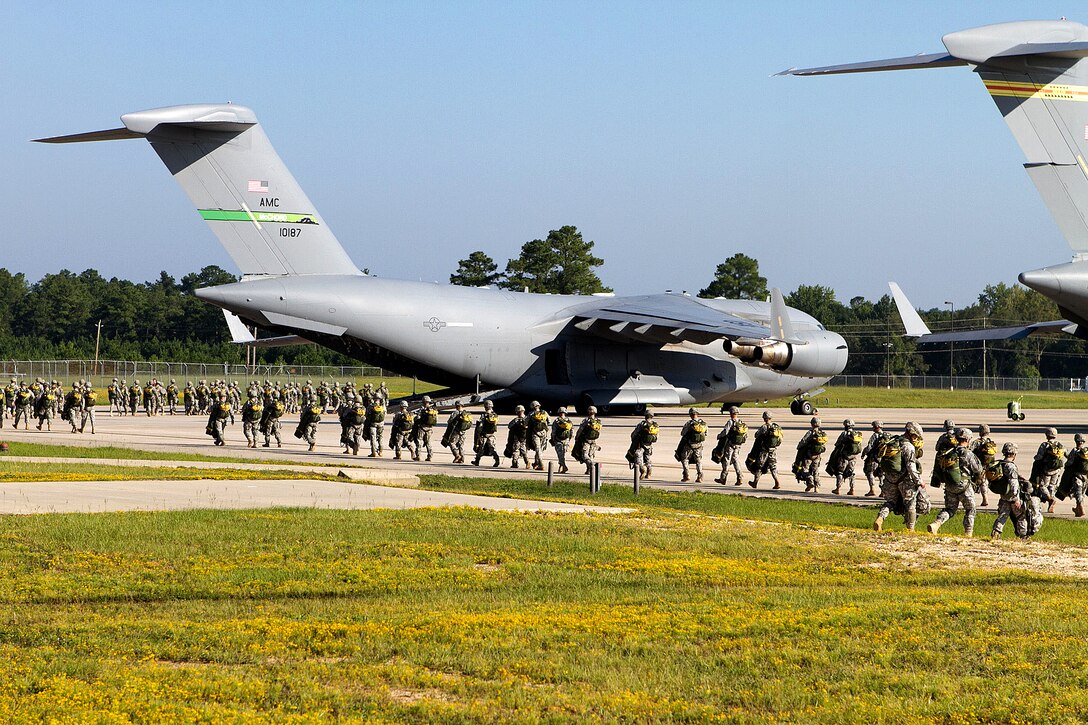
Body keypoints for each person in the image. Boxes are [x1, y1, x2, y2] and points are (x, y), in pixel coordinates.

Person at [928, 428, 982, 536]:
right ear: (967, 439)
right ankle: (968, 533)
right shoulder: (967, 454)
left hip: (950, 485)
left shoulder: (949, 452)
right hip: (964, 486)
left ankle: (936, 523)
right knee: (970, 509)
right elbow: (978, 469)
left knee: (950, 509)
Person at [873, 422, 925, 532]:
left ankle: (880, 518)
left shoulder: (893, 441)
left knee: (890, 502)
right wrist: (918, 481)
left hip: (890, 479)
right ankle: (910, 529)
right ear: (912, 434)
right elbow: (910, 465)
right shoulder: (908, 446)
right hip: (905, 481)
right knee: (910, 504)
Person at [990, 442, 1042, 540]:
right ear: (1014, 454)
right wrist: (1016, 499)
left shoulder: (1000, 464)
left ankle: (996, 532)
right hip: (1012, 497)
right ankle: (1023, 536)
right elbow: (1013, 483)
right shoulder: (1011, 466)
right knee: (1020, 516)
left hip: (1004, 496)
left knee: (1003, 515)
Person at [1030, 428, 1065, 513]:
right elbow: (1066, 454)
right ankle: (1051, 504)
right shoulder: (1060, 445)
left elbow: (1039, 457)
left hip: (1047, 470)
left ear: (1047, 435)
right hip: (1057, 470)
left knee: (1043, 486)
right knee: (1052, 486)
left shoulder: (1044, 445)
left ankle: (1050, 500)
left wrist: (1035, 458)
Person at [746, 411, 783, 489]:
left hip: (764, 450)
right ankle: (777, 482)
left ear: (764, 418)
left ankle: (755, 482)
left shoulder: (763, 427)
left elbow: (756, 435)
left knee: (759, 466)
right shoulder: (776, 427)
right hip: (773, 450)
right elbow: (779, 440)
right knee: (773, 466)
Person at [826, 419, 863, 495]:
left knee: (840, 472)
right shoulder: (856, 434)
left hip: (844, 457)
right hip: (853, 457)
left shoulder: (844, 434)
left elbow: (837, 444)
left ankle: (838, 488)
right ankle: (852, 489)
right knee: (851, 473)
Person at [711, 406, 746, 485]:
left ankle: (723, 478)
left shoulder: (730, 422)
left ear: (731, 413)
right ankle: (740, 478)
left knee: (727, 460)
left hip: (730, 445)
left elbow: (725, 432)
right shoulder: (741, 423)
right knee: (735, 460)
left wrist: (719, 436)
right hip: (738, 445)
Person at [1057, 433, 1088, 518]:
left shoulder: (1075, 451)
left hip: (1077, 476)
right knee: (1082, 492)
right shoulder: (1086, 451)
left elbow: (1070, 462)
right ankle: (1077, 509)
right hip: (1086, 476)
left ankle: (1080, 507)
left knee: (1078, 493)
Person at [793, 417, 827, 492]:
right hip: (817, 455)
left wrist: (799, 447)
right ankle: (817, 487)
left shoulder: (810, 432)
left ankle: (810, 481)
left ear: (812, 424)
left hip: (808, 455)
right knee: (815, 470)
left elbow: (803, 441)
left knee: (805, 469)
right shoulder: (822, 434)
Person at [676, 407, 708, 482]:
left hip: (689, 445)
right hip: (699, 445)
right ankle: (700, 476)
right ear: (697, 413)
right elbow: (706, 433)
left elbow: (683, 433)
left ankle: (686, 475)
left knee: (684, 459)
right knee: (698, 461)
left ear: (690, 414)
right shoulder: (703, 423)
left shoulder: (689, 423)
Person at [969, 424, 998, 507]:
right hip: (989, 465)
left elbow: (969, 451)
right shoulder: (990, 442)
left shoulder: (977, 442)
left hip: (979, 465)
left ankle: (982, 499)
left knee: (977, 482)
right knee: (984, 481)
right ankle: (985, 498)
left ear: (980, 432)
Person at [627, 411, 658, 480]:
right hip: (649, 445)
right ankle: (649, 473)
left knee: (638, 458)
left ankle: (643, 471)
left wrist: (634, 440)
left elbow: (634, 434)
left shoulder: (642, 424)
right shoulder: (654, 425)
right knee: (648, 459)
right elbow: (656, 436)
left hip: (641, 445)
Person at [572, 406, 602, 475]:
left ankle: (592, 465)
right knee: (591, 455)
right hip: (593, 441)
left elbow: (580, 430)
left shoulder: (586, 420)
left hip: (586, 440)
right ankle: (589, 470)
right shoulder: (598, 421)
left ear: (588, 411)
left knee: (584, 455)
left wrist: (577, 437)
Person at [472, 401, 501, 467]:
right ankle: (497, 460)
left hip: (484, 434)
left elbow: (480, 426)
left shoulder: (484, 415)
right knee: (492, 448)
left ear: (485, 406)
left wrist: (478, 433)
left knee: (481, 448)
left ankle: (477, 461)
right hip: (491, 434)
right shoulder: (495, 415)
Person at [929, 419, 957, 488]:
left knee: (937, 468)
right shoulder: (957, 437)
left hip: (944, 459)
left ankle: (936, 482)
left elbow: (937, 448)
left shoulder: (943, 437)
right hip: (954, 459)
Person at [412, 396, 439, 461]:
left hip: (422, 428)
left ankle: (418, 455)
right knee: (428, 442)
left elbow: (418, 418)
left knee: (419, 441)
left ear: (423, 402)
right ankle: (430, 456)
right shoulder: (433, 410)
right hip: (430, 428)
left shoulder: (423, 410)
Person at [526, 401, 550, 471]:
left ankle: (541, 464)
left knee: (537, 449)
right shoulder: (545, 413)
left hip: (535, 433)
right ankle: (536, 462)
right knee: (540, 449)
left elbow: (526, 423)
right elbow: (549, 421)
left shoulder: (531, 414)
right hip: (544, 433)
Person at [504, 404, 530, 469]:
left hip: (517, 438)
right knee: (523, 451)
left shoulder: (516, 420)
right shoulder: (527, 419)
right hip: (524, 438)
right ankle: (527, 462)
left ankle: (515, 464)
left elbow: (509, 426)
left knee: (516, 451)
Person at [550, 407, 574, 473]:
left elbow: (553, 431)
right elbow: (572, 431)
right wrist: (569, 439)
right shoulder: (569, 421)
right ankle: (562, 467)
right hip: (566, 440)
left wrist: (553, 438)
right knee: (562, 454)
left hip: (558, 440)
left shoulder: (556, 421)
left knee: (560, 454)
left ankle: (564, 466)